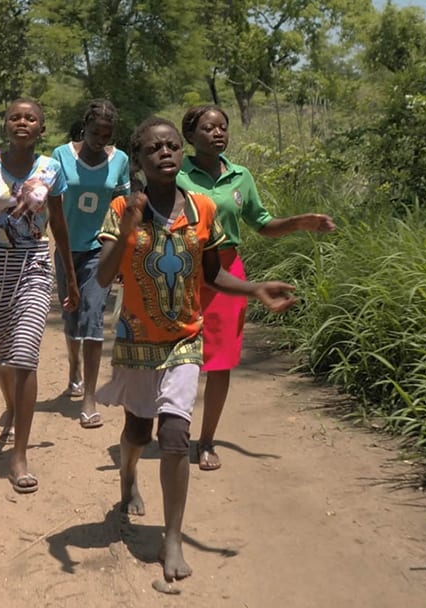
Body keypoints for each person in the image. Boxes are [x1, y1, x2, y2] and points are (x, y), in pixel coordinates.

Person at [95, 117, 297, 582]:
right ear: (139, 159)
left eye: (170, 147)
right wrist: (127, 229)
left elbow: (212, 275)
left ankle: (172, 537)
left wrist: (256, 288)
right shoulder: (124, 207)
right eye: (153, 149)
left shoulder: (202, 208)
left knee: (173, 439)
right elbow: (104, 278)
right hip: (137, 340)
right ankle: (127, 475)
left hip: (186, 337)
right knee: (138, 432)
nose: (165, 154)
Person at [177, 105, 336, 471]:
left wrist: (297, 222)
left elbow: (261, 224)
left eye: (223, 127)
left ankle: (206, 441)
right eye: (208, 128)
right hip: (181, 270)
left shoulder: (240, 175)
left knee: (219, 362)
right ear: (190, 136)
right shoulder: (177, 172)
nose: (218, 133)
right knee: (176, 355)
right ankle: (172, 429)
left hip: (227, 271)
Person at [0, 98, 80, 494]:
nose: (22, 121)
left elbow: (60, 223)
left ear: (41, 128)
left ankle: (19, 454)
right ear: (6, 125)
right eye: (15, 116)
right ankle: (14, 407)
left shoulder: (52, 168)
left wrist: (68, 273)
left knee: (24, 353)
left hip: (34, 263)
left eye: (30, 117)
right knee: (3, 353)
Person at [50, 99, 130, 429]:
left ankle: (90, 398)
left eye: (107, 134)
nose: (100, 139)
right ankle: (74, 369)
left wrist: (126, 251)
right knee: (72, 316)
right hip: (67, 248)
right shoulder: (60, 156)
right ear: (85, 127)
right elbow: (51, 205)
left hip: (102, 249)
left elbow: (123, 205)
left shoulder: (120, 160)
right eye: (95, 132)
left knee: (93, 316)